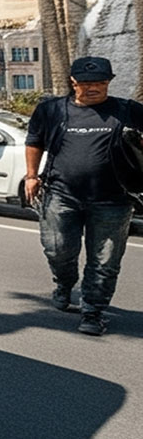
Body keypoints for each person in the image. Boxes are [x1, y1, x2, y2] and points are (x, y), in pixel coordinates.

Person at [25, 56, 143, 336]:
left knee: (105, 260)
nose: (94, 89)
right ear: (74, 82)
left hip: (114, 199)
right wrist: (32, 176)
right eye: (87, 84)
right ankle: (64, 284)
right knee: (57, 249)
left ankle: (93, 311)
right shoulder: (51, 110)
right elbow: (34, 141)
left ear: (109, 82)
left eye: (101, 83)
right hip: (61, 194)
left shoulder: (128, 110)